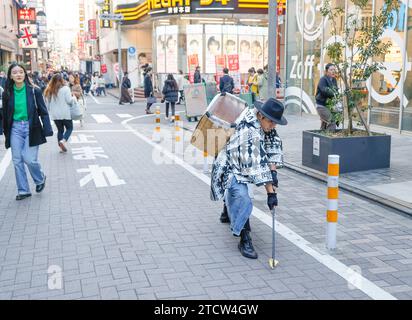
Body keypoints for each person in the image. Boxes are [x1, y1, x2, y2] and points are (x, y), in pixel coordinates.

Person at [211, 98, 287, 259]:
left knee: (238, 194)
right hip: (230, 165)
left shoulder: (266, 124)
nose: (274, 126)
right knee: (242, 197)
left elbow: (273, 146)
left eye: (275, 123)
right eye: (272, 122)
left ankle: (226, 209)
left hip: (245, 164)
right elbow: (258, 166)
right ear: (260, 115)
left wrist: (273, 173)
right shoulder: (249, 132)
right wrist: (271, 193)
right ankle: (245, 238)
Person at [0, 63, 53, 201]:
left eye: (21, 72)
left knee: (29, 159)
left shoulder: (34, 91)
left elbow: (43, 111)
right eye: (15, 72)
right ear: (10, 76)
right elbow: (5, 114)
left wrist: (47, 128)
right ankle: (23, 190)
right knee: (17, 160)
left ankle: (40, 178)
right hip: (15, 129)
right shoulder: (7, 93)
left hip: (31, 128)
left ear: (25, 74)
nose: (18, 74)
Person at [44, 73, 76, 153]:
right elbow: (69, 101)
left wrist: (50, 111)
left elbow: (47, 104)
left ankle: (61, 147)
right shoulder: (65, 88)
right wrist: (74, 98)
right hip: (65, 113)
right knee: (69, 128)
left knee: (60, 130)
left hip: (55, 114)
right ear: (61, 80)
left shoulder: (49, 89)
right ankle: (63, 141)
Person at [315, 63, 339, 131]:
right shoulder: (323, 79)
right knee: (331, 121)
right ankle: (330, 136)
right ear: (326, 71)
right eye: (331, 70)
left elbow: (336, 90)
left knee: (324, 123)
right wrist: (334, 93)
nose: (333, 71)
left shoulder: (334, 80)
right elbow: (324, 90)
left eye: (334, 69)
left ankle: (322, 137)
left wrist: (336, 93)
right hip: (321, 105)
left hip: (329, 105)